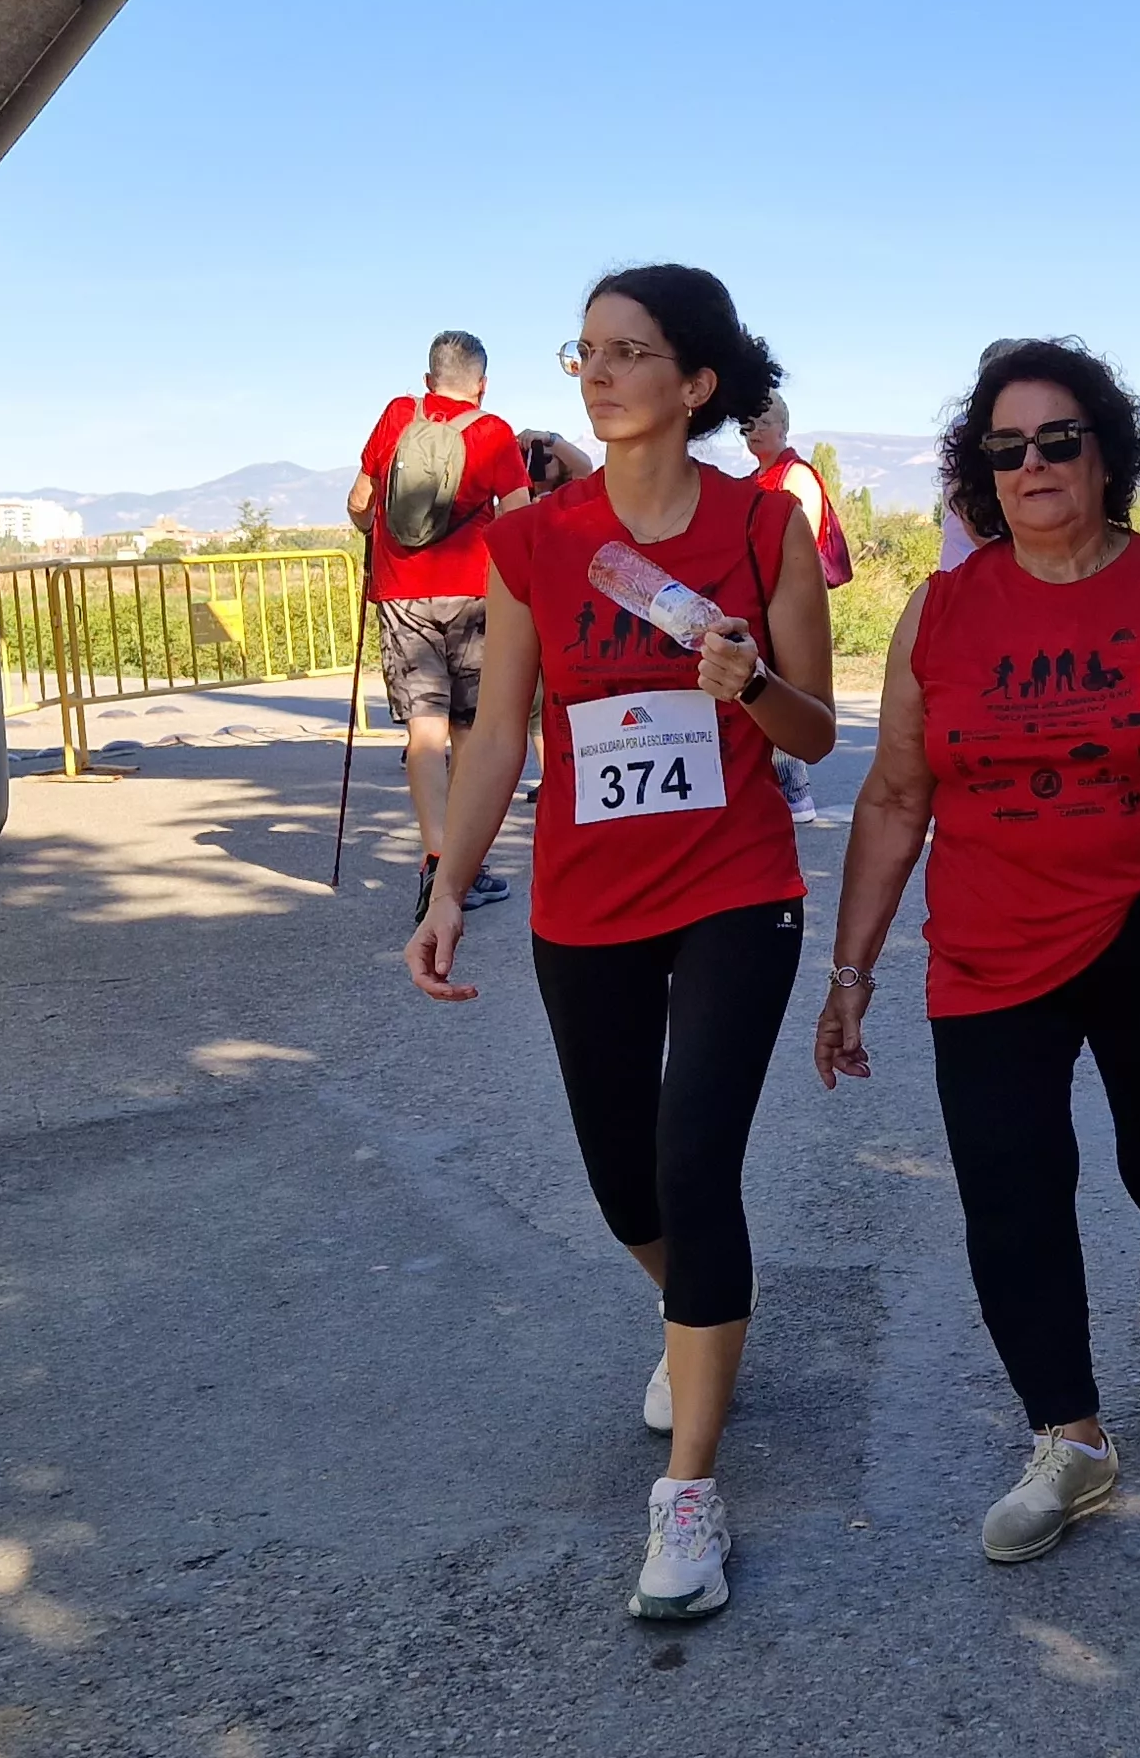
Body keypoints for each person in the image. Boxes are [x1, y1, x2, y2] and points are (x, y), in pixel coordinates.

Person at [813, 338, 1140, 1562]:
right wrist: (849, 972)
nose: (1032, 463)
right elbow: (893, 800)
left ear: (1105, 456)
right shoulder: (937, 613)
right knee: (1010, 1187)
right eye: (1005, 448)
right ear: (978, 473)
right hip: (987, 947)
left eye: (1057, 440)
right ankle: (1072, 1438)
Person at [404, 265, 832, 1622]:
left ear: (696, 382)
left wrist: (752, 683)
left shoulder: (765, 530)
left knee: (695, 1163)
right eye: (583, 350)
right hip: (585, 897)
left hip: (734, 886)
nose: (595, 372)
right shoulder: (535, 542)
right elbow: (497, 738)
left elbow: (815, 730)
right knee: (624, 1188)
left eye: (630, 351)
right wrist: (443, 883)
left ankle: (690, 1501)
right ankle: (697, 1316)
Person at [346, 330, 535, 914]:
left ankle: (435, 861)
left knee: (424, 735)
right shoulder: (494, 431)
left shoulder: (398, 416)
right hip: (477, 599)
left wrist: (383, 540)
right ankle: (465, 866)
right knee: (472, 734)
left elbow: (359, 502)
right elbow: (519, 521)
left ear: (429, 380)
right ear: (482, 383)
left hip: (403, 596)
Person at [742, 397, 852, 823]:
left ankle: (794, 788)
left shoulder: (796, 476)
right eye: (749, 423)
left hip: (789, 598)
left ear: (784, 427)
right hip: (761, 596)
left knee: (789, 687)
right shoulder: (756, 479)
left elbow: (797, 544)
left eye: (764, 421)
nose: (755, 430)